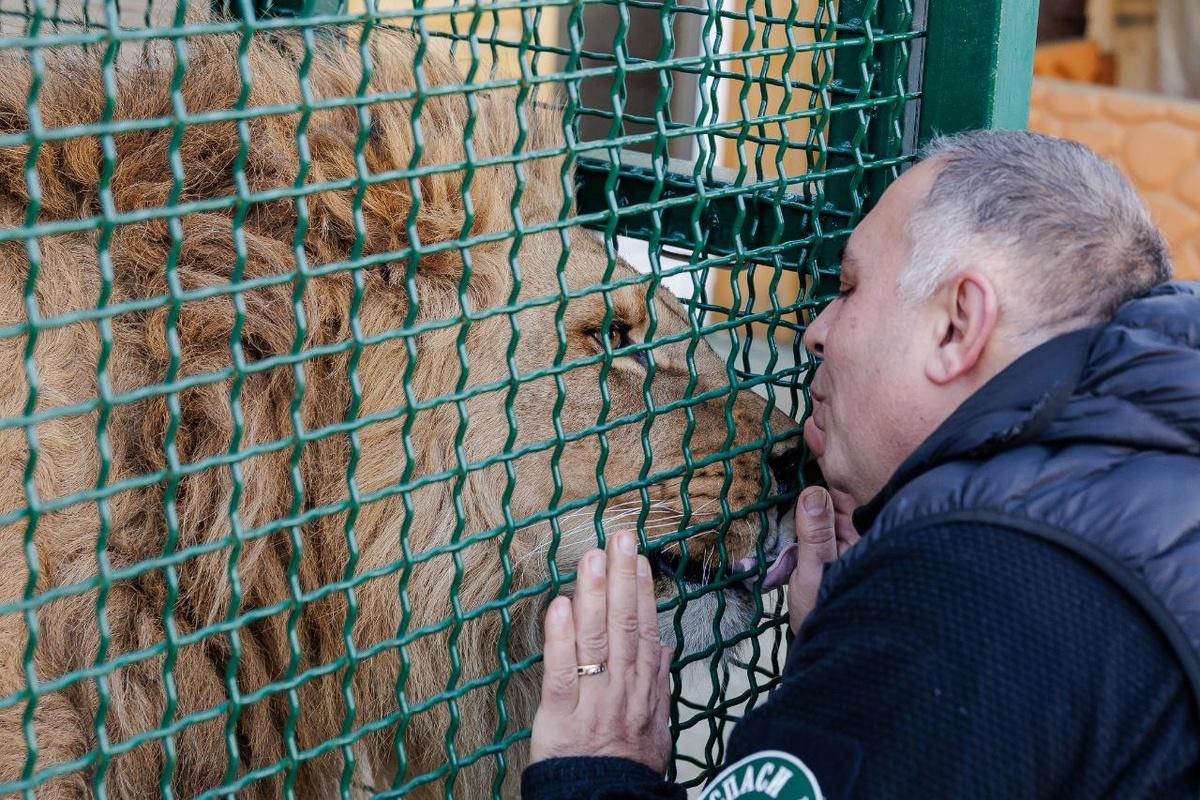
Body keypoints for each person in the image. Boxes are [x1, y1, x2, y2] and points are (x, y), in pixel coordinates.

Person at [521, 129, 1200, 798]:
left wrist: (596, 769)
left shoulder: (963, 597)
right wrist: (845, 675)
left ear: (958, 324)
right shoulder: (1141, 486)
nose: (815, 332)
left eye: (848, 288)